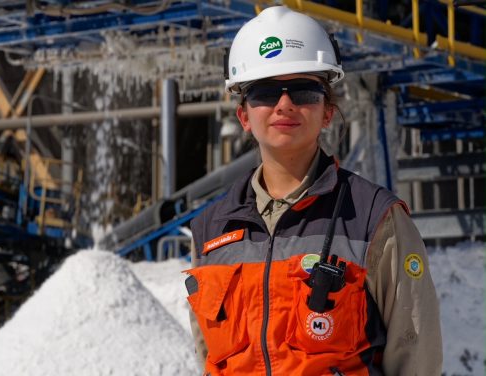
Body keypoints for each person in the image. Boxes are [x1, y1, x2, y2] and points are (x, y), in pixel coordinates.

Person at [185, 6, 442, 376]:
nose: (284, 104)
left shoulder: (374, 218)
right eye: (265, 92)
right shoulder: (210, 231)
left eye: (304, 91)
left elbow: (415, 355)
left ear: (327, 112)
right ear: (244, 116)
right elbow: (209, 357)